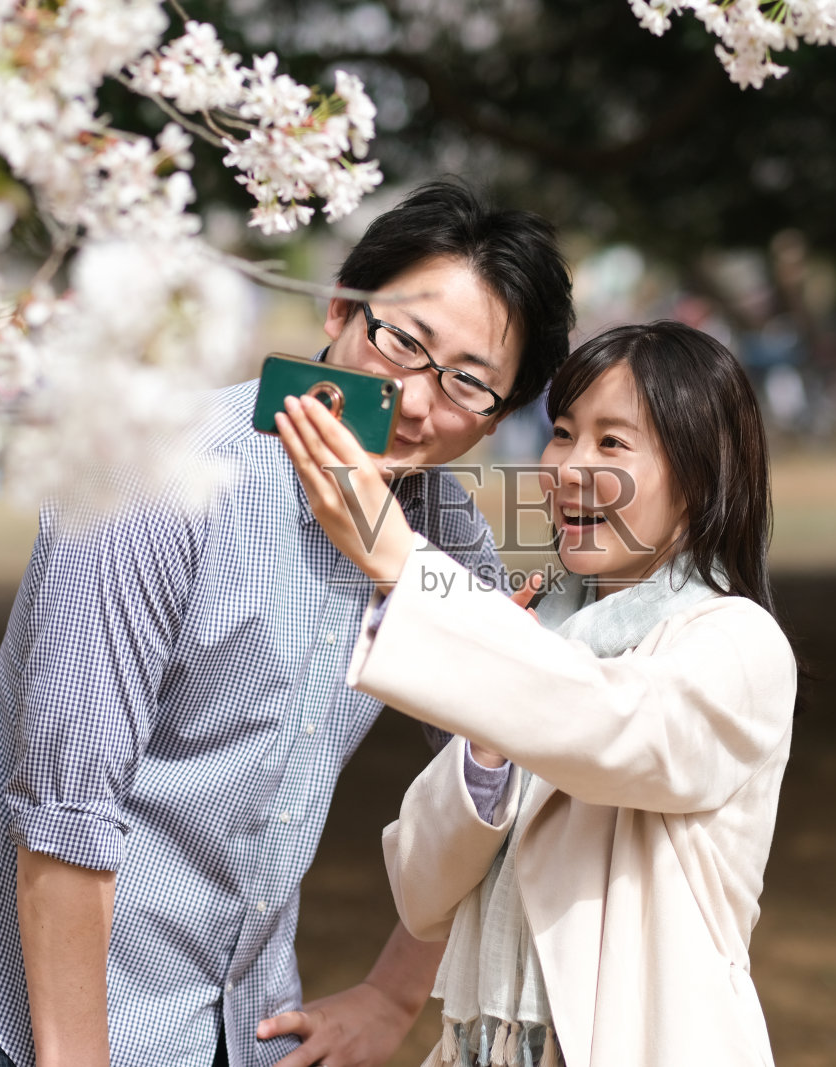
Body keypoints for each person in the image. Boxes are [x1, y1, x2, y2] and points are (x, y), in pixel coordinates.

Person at [0, 180, 575, 1067]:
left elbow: (504, 762)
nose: (417, 403)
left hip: (241, 1027)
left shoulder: (440, 531)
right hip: (31, 1030)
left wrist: (393, 993)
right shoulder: (152, 476)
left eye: (467, 384)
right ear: (340, 309)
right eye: (403, 343)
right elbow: (64, 817)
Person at [278, 320, 798, 1066]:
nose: (569, 468)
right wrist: (488, 741)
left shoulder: (736, 646)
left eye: (613, 443)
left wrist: (400, 556)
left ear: (701, 476)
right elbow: (421, 888)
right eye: (561, 433)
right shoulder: (536, 648)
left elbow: (610, 726)